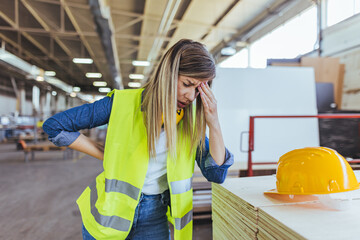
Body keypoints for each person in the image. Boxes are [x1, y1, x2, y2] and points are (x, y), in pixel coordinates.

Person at [43, 39, 234, 240]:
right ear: (168, 74)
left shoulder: (189, 124)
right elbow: (55, 126)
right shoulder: (122, 104)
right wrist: (105, 154)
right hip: (109, 217)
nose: (190, 96)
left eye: (198, 90)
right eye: (187, 84)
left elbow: (216, 174)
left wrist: (214, 123)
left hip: (155, 218)